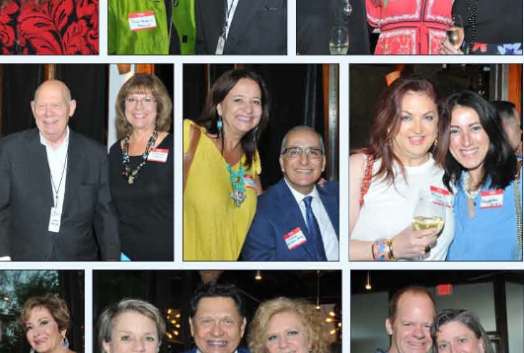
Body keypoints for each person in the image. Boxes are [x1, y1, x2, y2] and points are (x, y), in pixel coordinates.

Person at [0, 78, 120, 260]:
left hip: (78, 263)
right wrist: (2, 261)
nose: (48, 113)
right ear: (33, 108)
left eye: (56, 105)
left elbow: (106, 217)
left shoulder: (95, 154)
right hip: (23, 263)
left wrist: (112, 265)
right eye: (42, 106)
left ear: (71, 108)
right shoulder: (12, 149)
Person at [349, 76, 455, 262]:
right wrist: (392, 248)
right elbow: (333, 249)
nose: (418, 129)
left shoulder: (450, 175)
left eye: (428, 117)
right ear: (388, 123)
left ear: (439, 124)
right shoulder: (361, 167)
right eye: (406, 117)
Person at [183, 68, 267, 261]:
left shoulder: (251, 158)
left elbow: (265, 213)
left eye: (256, 101)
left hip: (230, 272)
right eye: (238, 100)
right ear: (219, 107)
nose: (248, 109)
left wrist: (303, 185)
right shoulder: (189, 136)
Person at [241, 126, 339, 262]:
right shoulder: (261, 211)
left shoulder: (341, 196)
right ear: (282, 162)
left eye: (313, 152)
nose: (304, 161)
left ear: (323, 163)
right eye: (294, 152)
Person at [443, 90, 521, 262]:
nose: (466, 141)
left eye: (475, 128)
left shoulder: (518, 178)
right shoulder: (447, 185)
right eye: (454, 131)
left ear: (491, 131)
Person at [108, 74, 174, 262]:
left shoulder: (175, 147)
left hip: (166, 256)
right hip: (124, 255)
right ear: (123, 106)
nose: (138, 107)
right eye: (132, 100)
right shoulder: (115, 151)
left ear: (159, 106)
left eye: (146, 99)